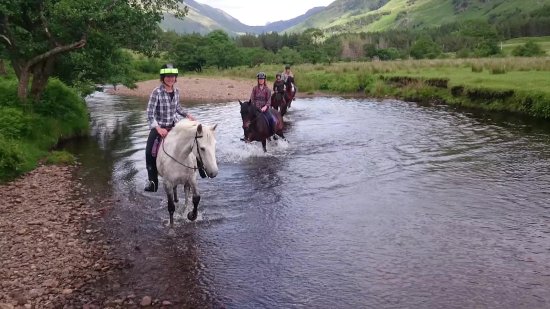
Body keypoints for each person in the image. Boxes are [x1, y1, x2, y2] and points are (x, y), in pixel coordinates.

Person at [144, 63, 194, 192]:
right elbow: (149, 113)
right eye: (167, 76)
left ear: (175, 78)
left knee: (192, 142)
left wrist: (187, 114)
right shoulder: (156, 92)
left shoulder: (177, 91)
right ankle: (152, 182)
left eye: (172, 76)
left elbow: (177, 108)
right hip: (159, 128)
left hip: (174, 126)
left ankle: (199, 170)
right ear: (163, 77)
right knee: (149, 152)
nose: (170, 79)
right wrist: (158, 128)